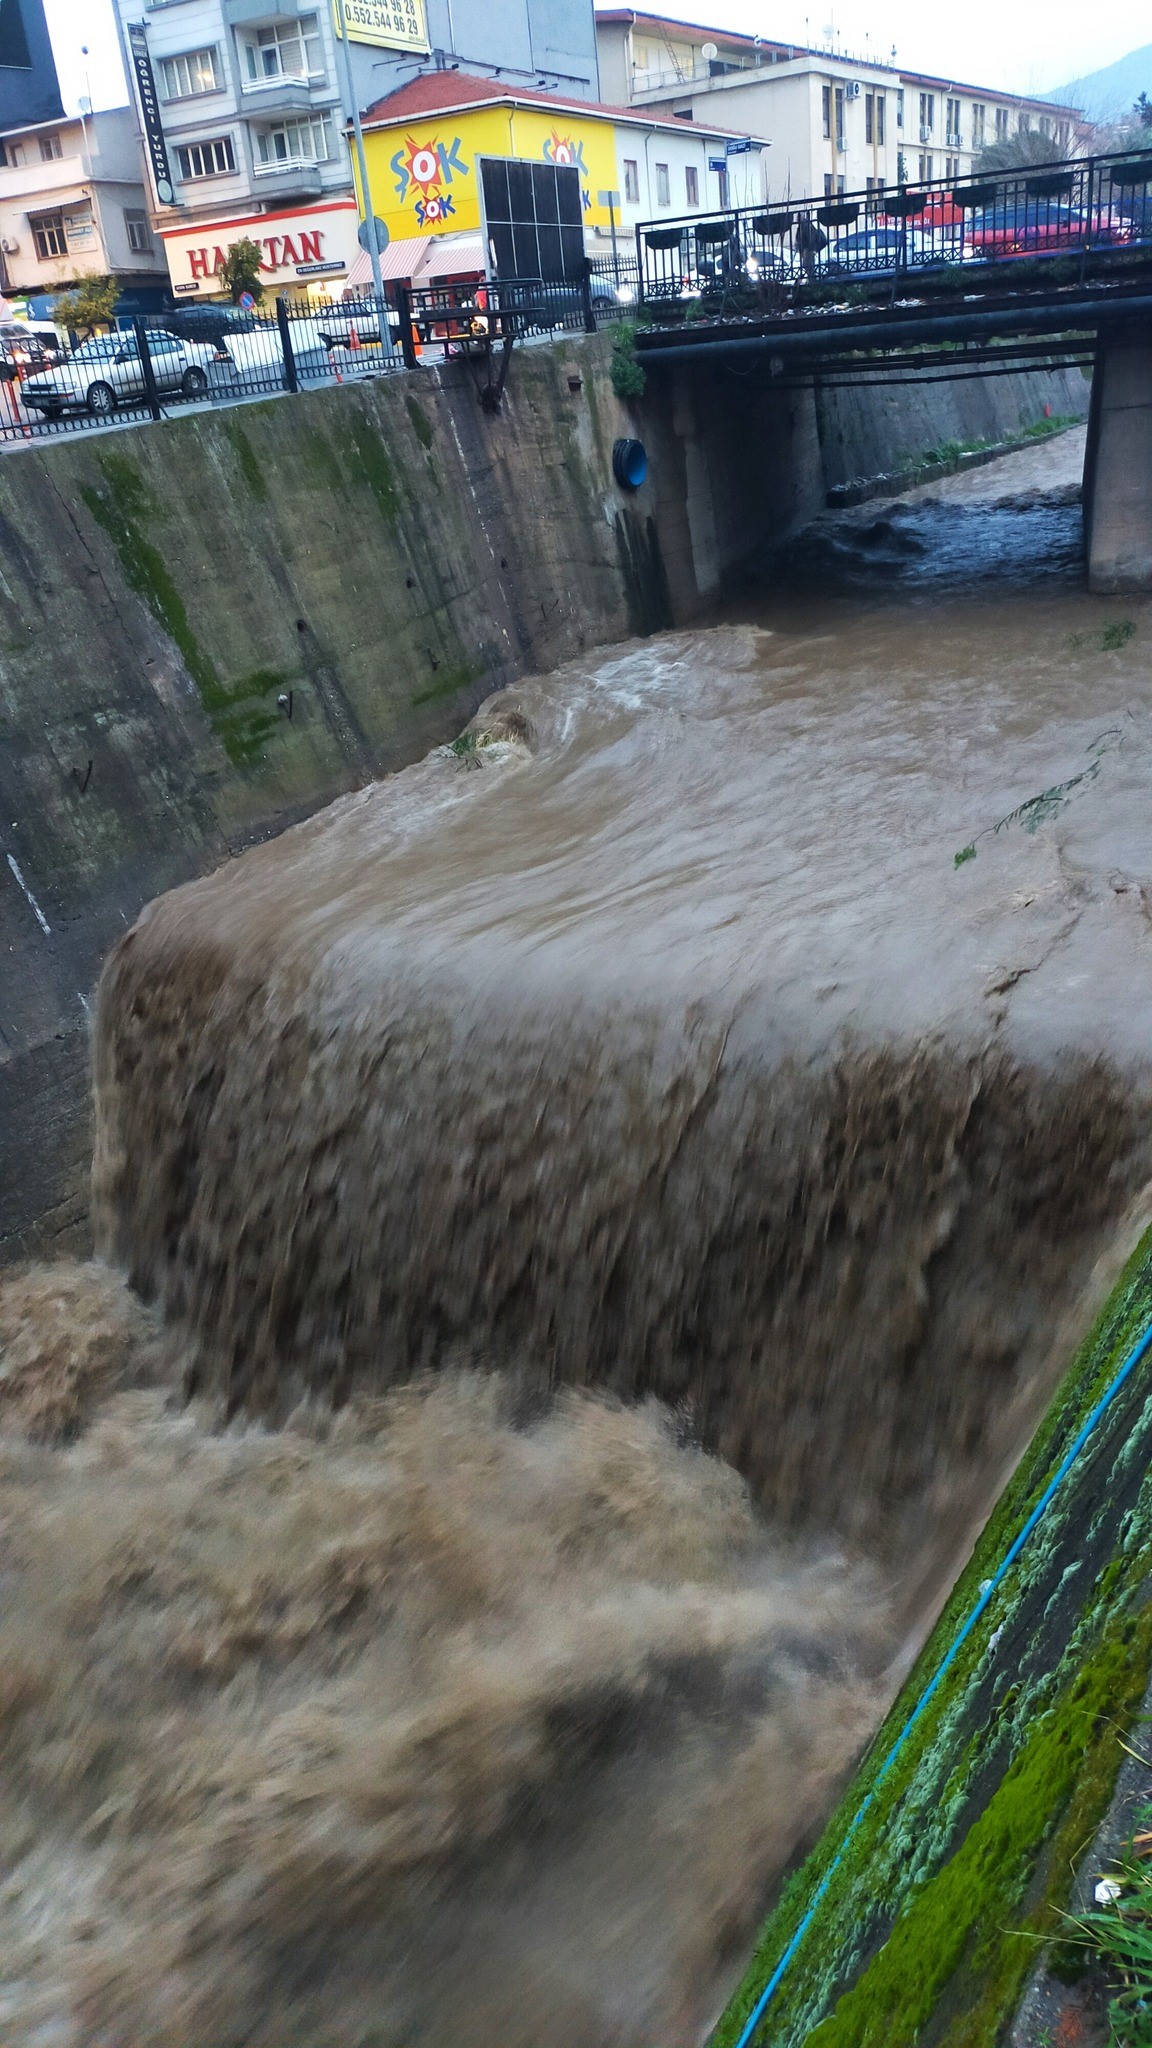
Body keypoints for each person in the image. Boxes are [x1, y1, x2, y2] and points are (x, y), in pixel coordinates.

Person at [795, 211, 828, 281]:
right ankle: (812, 280)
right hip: (808, 248)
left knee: (808, 266)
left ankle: (812, 281)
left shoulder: (805, 225)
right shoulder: (805, 225)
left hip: (808, 248)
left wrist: (812, 249)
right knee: (808, 266)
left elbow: (810, 237)